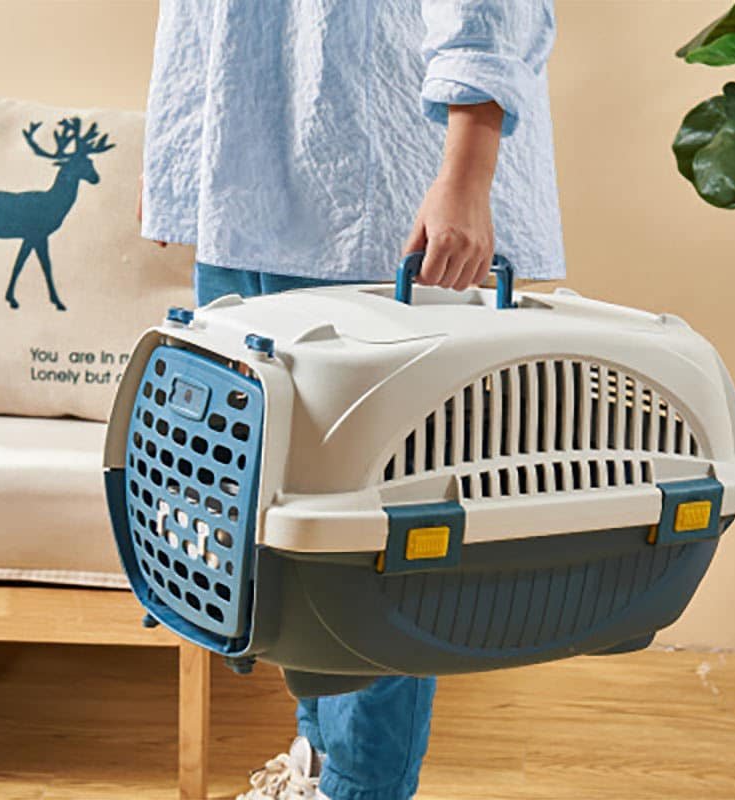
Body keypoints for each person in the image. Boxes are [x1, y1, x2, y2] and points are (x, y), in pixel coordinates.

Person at [138, 2, 564, 798]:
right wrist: (179, 161)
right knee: (279, 531)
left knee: (377, 541)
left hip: (372, 184)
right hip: (241, 183)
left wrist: (466, 174)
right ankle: (318, 765)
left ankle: (362, 787)